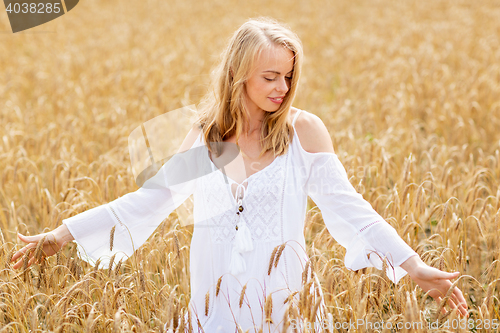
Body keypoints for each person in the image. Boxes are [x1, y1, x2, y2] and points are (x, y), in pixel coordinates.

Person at [12, 17, 467, 332]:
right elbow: (149, 201)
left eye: (288, 77)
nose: (282, 89)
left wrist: (414, 266)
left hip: (286, 306)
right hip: (214, 308)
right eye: (270, 77)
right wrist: (63, 234)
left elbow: (354, 211)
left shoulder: (302, 133)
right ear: (239, 75)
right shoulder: (211, 139)